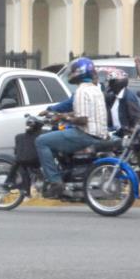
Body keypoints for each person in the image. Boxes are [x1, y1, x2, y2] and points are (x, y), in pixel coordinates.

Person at [35, 58, 108, 198]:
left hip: (85, 134)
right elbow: (81, 112)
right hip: (100, 133)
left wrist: (62, 118)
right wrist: (60, 114)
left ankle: (55, 181)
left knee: (41, 141)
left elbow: (82, 120)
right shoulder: (95, 90)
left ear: (78, 72)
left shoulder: (81, 91)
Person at [105, 69, 140, 137]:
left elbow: (135, 119)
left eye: (111, 82)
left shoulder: (128, 98)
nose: (109, 85)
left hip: (126, 137)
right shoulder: (113, 97)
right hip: (115, 135)